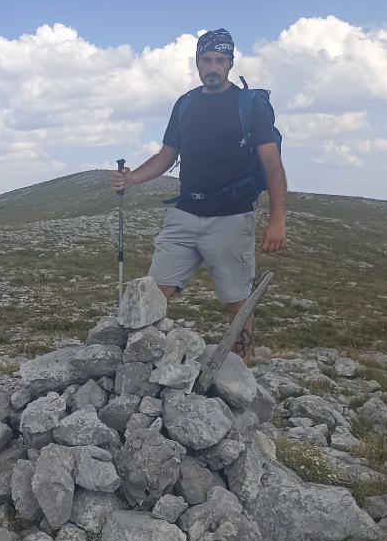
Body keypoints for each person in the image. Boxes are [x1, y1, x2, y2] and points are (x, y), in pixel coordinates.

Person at [110, 28, 286, 363]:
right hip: (185, 212)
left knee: (236, 300)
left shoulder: (249, 105)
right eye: (206, 59)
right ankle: (139, 363)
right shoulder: (186, 104)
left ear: (230, 63)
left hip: (232, 216)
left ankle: (240, 369)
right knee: (155, 291)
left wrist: (277, 219)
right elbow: (166, 155)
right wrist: (131, 179)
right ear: (197, 62)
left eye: (220, 60)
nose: (213, 67)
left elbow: (272, 164)